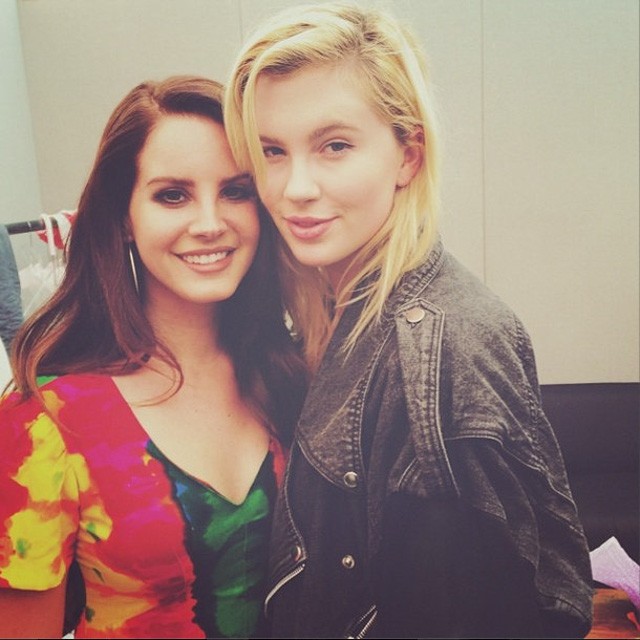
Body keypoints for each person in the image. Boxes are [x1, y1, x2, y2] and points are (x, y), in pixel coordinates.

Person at [224, 2, 594, 638]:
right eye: (272, 151)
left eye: (335, 146)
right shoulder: (340, 310)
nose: (294, 187)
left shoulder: (438, 354)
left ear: (408, 157)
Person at [0, 75, 307, 639]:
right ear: (123, 217)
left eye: (236, 191)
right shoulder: (43, 416)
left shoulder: (295, 376)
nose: (210, 223)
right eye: (173, 195)